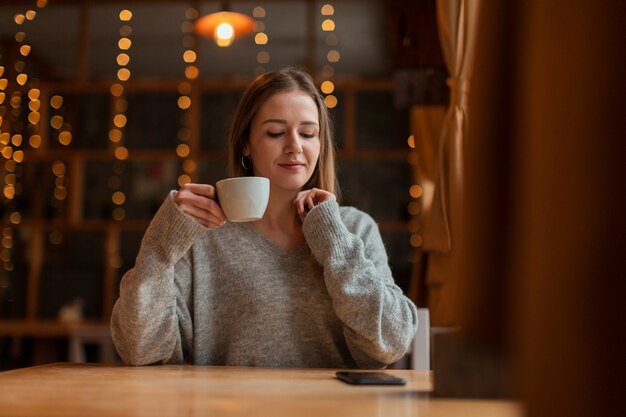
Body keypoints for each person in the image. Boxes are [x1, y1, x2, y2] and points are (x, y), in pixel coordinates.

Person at [110, 67, 418, 368]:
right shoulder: (200, 237)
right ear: (245, 143)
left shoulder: (354, 229)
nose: (295, 146)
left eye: (308, 133)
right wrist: (160, 247)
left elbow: (390, 344)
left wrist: (334, 244)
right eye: (275, 132)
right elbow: (141, 351)